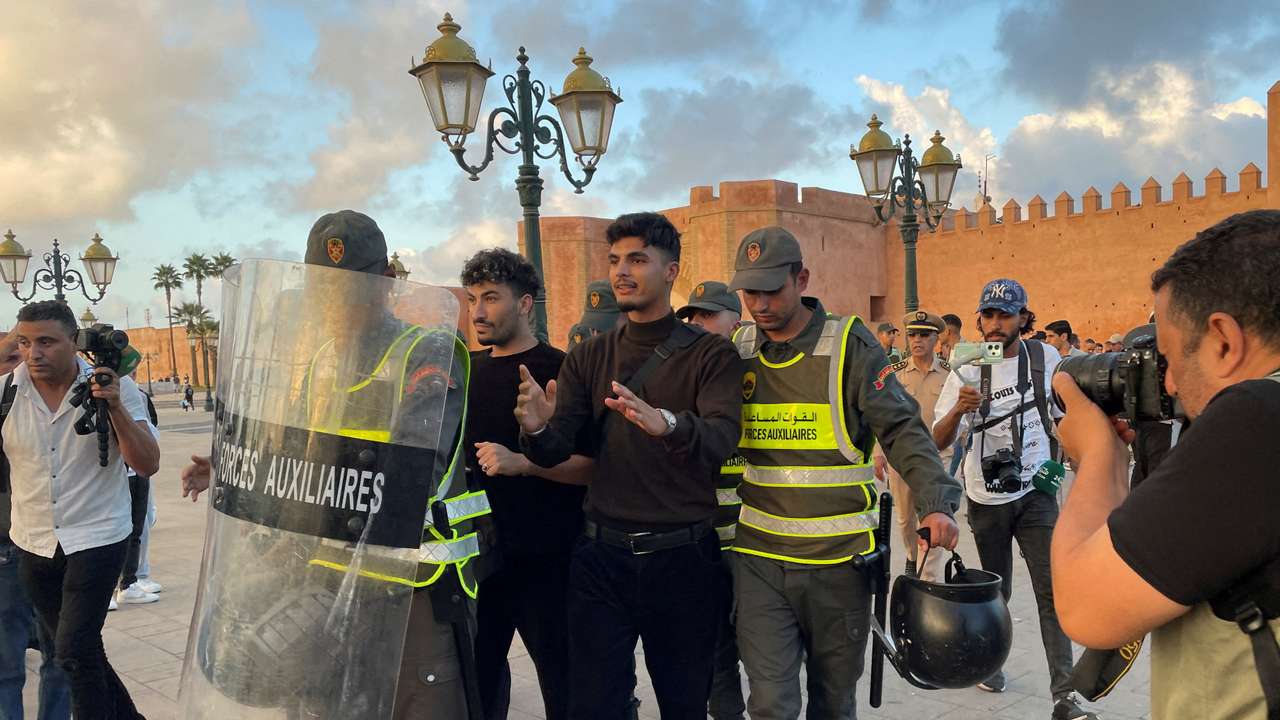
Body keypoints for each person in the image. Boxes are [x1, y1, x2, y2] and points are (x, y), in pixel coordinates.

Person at [181, 210, 489, 718]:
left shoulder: (425, 352)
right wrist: (238, 466)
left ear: (386, 282)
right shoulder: (322, 359)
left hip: (411, 591)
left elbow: (416, 472)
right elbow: (301, 449)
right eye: (324, 287)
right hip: (325, 582)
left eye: (352, 287)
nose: (336, 300)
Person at [1052, 209, 1280, 719]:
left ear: (1224, 340)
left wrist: (1099, 458)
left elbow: (1085, 609)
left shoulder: (1258, 422)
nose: (1170, 384)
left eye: (1171, 358)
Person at [726, 226, 960, 720]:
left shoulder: (849, 345)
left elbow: (901, 429)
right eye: (751, 293)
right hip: (758, 560)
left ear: (802, 278)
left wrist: (937, 502)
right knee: (770, 702)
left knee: (833, 702)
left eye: (773, 290)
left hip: (839, 567)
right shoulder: (737, 347)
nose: (761, 304)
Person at [515, 212, 742, 719]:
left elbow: (723, 439)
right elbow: (557, 449)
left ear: (671, 271)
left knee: (684, 703)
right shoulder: (590, 356)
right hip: (601, 558)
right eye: (615, 260)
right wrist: (535, 428)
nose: (622, 270)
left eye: (637, 259)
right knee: (595, 705)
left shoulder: (710, 357)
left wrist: (667, 424)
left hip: (683, 559)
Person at [932, 279, 1096, 720]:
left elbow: (1067, 415)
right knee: (995, 589)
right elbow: (938, 439)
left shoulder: (1045, 357)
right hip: (985, 496)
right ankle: (993, 664)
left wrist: (1089, 460)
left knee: (1050, 591)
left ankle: (1065, 694)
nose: (996, 324)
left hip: (1038, 489)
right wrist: (958, 410)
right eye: (988, 315)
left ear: (1025, 318)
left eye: (1006, 315)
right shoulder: (964, 363)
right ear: (979, 320)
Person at [5, 300, 159, 720]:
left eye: (46, 342)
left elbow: (146, 463)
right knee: (77, 652)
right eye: (24, 342)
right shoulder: (6, 392)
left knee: (72, 651)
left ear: (74, 342)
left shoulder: (115, 387)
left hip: (98, 536)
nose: (33, 353)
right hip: (33, 542)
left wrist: (115, 407)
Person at [461, 248, 593, 720]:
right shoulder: (463, 373)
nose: (477, 311)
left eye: (491, 298)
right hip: (476, 567)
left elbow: (594, 469)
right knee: (474, 693)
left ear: (524, 304)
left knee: (567, 690)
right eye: (472, 298)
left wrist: (526, 464)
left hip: (550, 565)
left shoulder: (563, 371)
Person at [676, 280, 745, 720]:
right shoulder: (682, 377)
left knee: (752, 644)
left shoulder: (755, 374)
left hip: (750, 540)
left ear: (734, 323)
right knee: (713, 644)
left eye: (707, 316)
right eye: (692, 317)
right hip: (699, 539)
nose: (697, 324)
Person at [0, 332, 71, 720]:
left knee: (60, 656)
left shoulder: (51, 408)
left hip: (52, 548)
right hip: (6, 546)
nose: (25, 364)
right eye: (16, 354)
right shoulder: (6, 402)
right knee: (6, 665)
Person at [873, 310, 951, 582]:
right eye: (913, 335)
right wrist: (878, 452)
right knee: (906, 520)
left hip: (940, 456)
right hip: (902, 457)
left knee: (934, 512)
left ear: (936, 339)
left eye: (924, 335)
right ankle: (911, 555)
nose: (917, 340)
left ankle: (927, 577)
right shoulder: (893, 373)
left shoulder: (950, 374)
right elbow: (881, 414)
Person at [111, 374, 161, 610]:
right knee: (125, 531)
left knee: (136, 529)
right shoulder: (124, 386)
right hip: (124, 472)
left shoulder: (131, 389)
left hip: (135, 470)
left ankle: (129, 581)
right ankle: (124, 584)